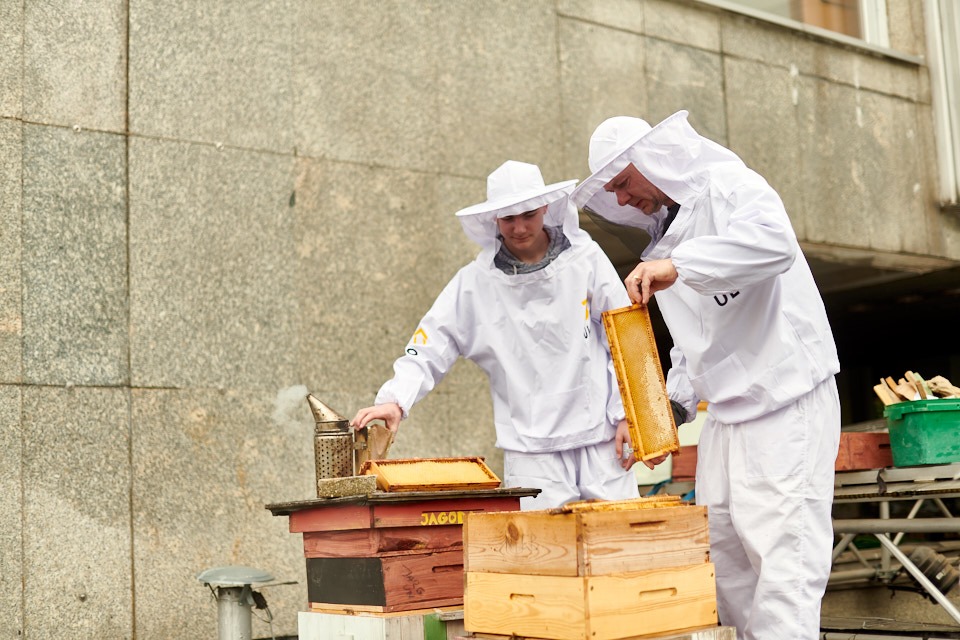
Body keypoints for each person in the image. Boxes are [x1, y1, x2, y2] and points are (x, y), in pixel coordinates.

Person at [570, 111, 841, 640]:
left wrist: (681, 267)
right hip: (724, 420)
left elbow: (775, 244)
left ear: (655, 159)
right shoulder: (667, 238)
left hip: (787, 404)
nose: (622, 200)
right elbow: (696, 347)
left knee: (786, 568)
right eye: (612, 191)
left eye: (624, 183)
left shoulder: (730, 185)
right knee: (723, 566)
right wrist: (663, 411)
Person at [351, 160, 641, 510]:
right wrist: (396, 399)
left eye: (528, 214)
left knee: (620, 546)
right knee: (541, 557)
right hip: (530, 452)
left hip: (601, 439)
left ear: (546, 207)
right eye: (508, 218)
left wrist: (628, 414)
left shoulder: (586, 259)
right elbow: (430, 344)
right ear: (494, 220)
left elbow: (625, 335)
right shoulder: (475, 282)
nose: (519, 227)